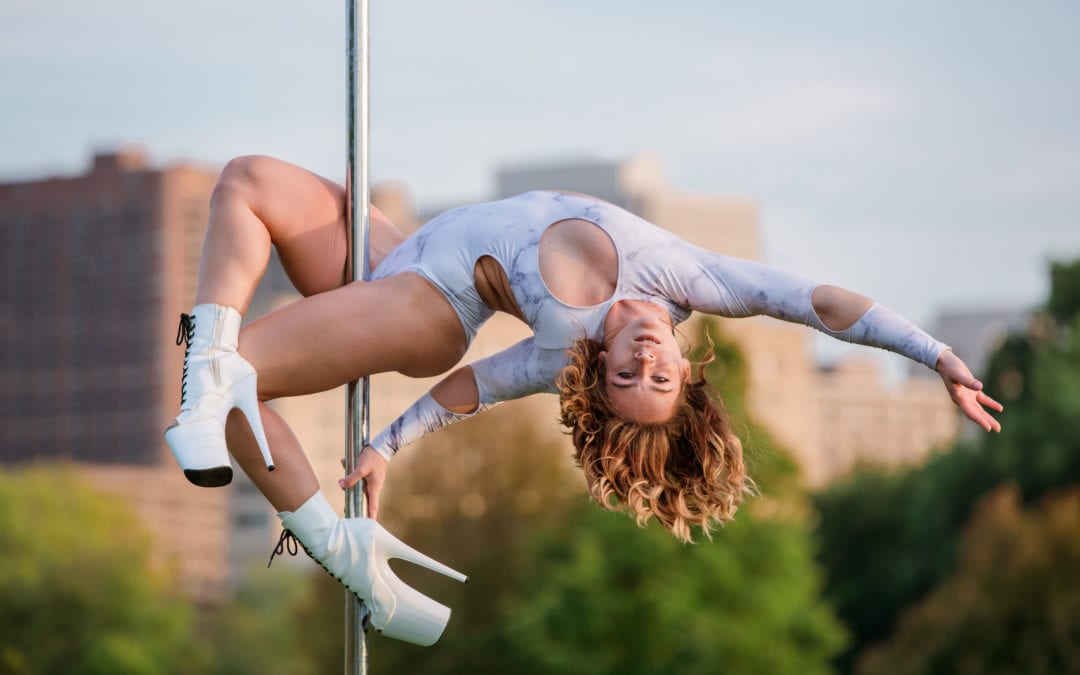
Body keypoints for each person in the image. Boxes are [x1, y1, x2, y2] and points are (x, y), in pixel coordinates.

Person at [165, 155, 1002, 643]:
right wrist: (932, 353)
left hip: (422, 306)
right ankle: (209, 400)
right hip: (397, 248)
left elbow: (471, 386)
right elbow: (819, 303)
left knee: (241, 365)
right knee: (243, 181)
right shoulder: (694, 278)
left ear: (598, 375)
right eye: (659, 375)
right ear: (686, 361)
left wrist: (389, 438)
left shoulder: (570, 348)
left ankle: (337, 546)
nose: (640, 360)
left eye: (626, 378)